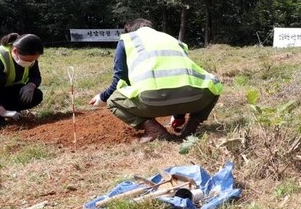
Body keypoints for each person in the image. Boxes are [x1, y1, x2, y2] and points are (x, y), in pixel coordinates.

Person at [89, 18, 222, 142]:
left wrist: (102, 97)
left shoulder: (128, 40)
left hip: (152, 101)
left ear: (129, 31)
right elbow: (180, 76)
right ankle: (191, 128)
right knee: (215, 85)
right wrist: (179, 116)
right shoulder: (172, 40)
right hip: (195, 98)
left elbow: (119, 81)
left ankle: (153, 130)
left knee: (113, 101)